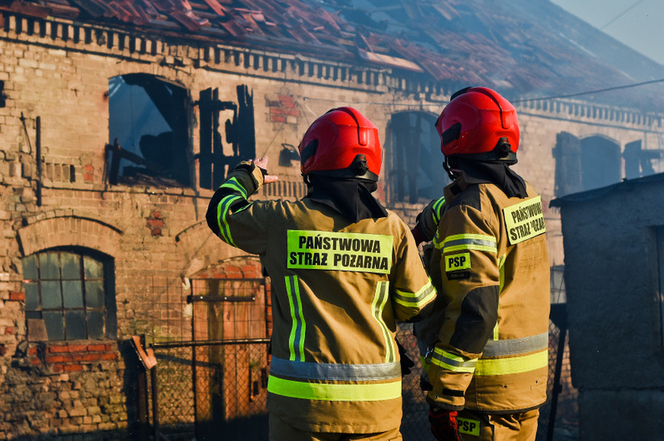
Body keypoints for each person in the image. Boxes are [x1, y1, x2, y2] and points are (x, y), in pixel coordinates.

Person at [206, 107, 436, 441]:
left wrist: (247, 176)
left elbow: (222, 214)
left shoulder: (282, 219)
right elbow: (415, 306)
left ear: (314, 161)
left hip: (303, 409)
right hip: (376, 409)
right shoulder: (393, 230)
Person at [414, 87, 550, 441]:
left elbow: (474, 312)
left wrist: (444, 394)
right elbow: (473, 205)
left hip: (482, 394)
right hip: (526, 389)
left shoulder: (470, 212)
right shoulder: (523, 196)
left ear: (454, 146)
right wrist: (423, 224)